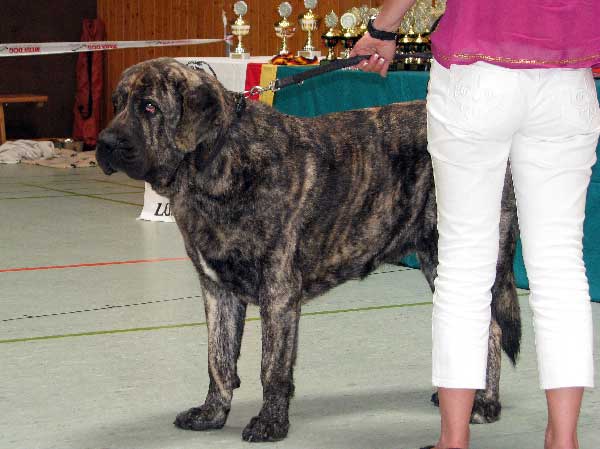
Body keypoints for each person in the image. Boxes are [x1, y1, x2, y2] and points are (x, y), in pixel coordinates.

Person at [350, 1, 600, 449]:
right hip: (567, 77)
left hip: (477, 71)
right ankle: (564, 440)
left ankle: (454, 439)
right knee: (561, 267)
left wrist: (383, 29)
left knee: (465, 265)